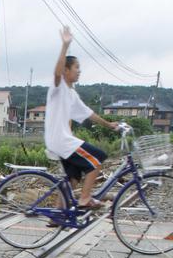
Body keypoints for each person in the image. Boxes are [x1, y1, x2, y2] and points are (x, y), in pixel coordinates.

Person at [45, 27, 119, 208]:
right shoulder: (58, 87)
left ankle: (57, 215)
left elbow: (89, 114)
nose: (79, 71)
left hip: (62, 140)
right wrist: (65, 45)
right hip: (61, 140)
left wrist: (109, 124)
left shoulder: (72, 94)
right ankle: (85, 198)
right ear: (66, 70)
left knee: (73, 177)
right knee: (98, 158)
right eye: (76, 67)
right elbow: (56, 73)